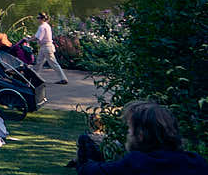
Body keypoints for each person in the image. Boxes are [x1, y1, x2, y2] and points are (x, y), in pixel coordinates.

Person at [77, 101, 208, 174]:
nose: (128, 134)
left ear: (140, 135)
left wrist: (86, 149)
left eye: (130, 129)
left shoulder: (137, 163)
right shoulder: (196, 163)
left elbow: (89, 171)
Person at [32, 12, 68, 85]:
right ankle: (34, 78)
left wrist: (28, 39)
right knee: (38, 63)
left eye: (38, 18)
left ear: (42, 19)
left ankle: (63, 78)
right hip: (45, 47)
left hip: (46, 47)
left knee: (53, 63)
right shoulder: (46, 26)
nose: (37, 19)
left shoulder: (42, 27)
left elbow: (38, 38)